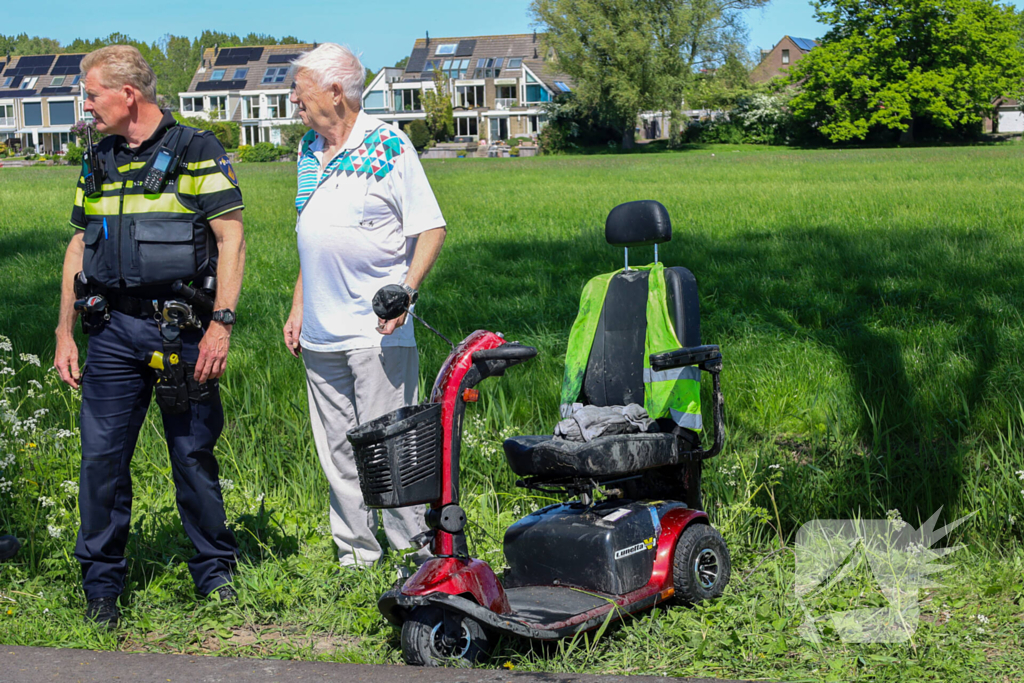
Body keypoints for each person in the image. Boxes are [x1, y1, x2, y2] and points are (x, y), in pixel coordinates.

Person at [53, 45, 246, 629]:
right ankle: (101, 588)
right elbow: (78, 245)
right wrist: (64, 332)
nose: (86, 106)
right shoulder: (98, 158)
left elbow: (231, 239)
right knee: (101, 460)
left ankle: (215, 574)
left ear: (127, 95)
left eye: (91, 95)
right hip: (111, 331)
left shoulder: (197, 150)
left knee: (192, 455)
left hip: (181, 329)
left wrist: (221, 324)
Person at [283, 43, 446, 569]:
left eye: (299, 89)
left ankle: (413, 553)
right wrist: (298, 305)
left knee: (391, 447)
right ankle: (356, 555)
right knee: (337, 451)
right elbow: (312, 237)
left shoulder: (388, 144)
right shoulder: (309, 149)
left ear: (335, 91)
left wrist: (407, 291)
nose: (293, 100)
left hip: (377, 330)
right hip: (319, 333)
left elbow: (430, 228)